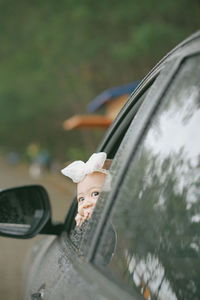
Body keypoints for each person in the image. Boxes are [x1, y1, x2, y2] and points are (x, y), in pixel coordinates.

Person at [61, 152, 112, 227]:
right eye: (81, 199)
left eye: (95, 194)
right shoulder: (84, 220)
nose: (86, 204)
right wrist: (82, 224)